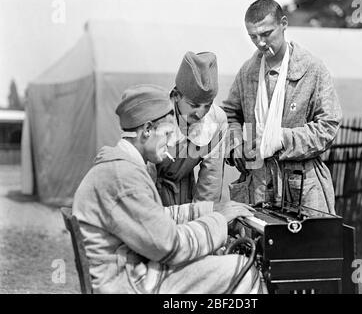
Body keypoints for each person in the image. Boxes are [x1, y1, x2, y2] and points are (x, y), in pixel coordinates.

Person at [72, 84, 263, 294]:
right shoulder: (124, 179)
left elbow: (158, 216)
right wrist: (218, 223)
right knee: (243, 269)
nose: (171, 142)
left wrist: (212, 210)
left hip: (126, 270)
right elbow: (171, 246)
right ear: (146, 131)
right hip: (126, 283)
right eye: (167, 133)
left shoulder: (120, 166)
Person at [222, 0, 342, 215]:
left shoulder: (312, 69)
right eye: (253, 37)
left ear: (284, 23)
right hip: (257, 186)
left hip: (301, 187)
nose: (260, 43)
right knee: (257, 247)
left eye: (266, 34)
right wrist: (236, 142)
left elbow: (328, 127)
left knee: (306, 248)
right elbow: (230, 115)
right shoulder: (247, 72)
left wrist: (282, 138)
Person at [155, 51, 228, 205]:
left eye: (207, 105)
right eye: (193, 105)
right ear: (176, 95)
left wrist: (203, 221)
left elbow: (210, 182)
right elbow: (139, 175)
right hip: (149, 190)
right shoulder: (155, 115)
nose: (200, 113)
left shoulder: (216, 120)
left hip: (184, 193)